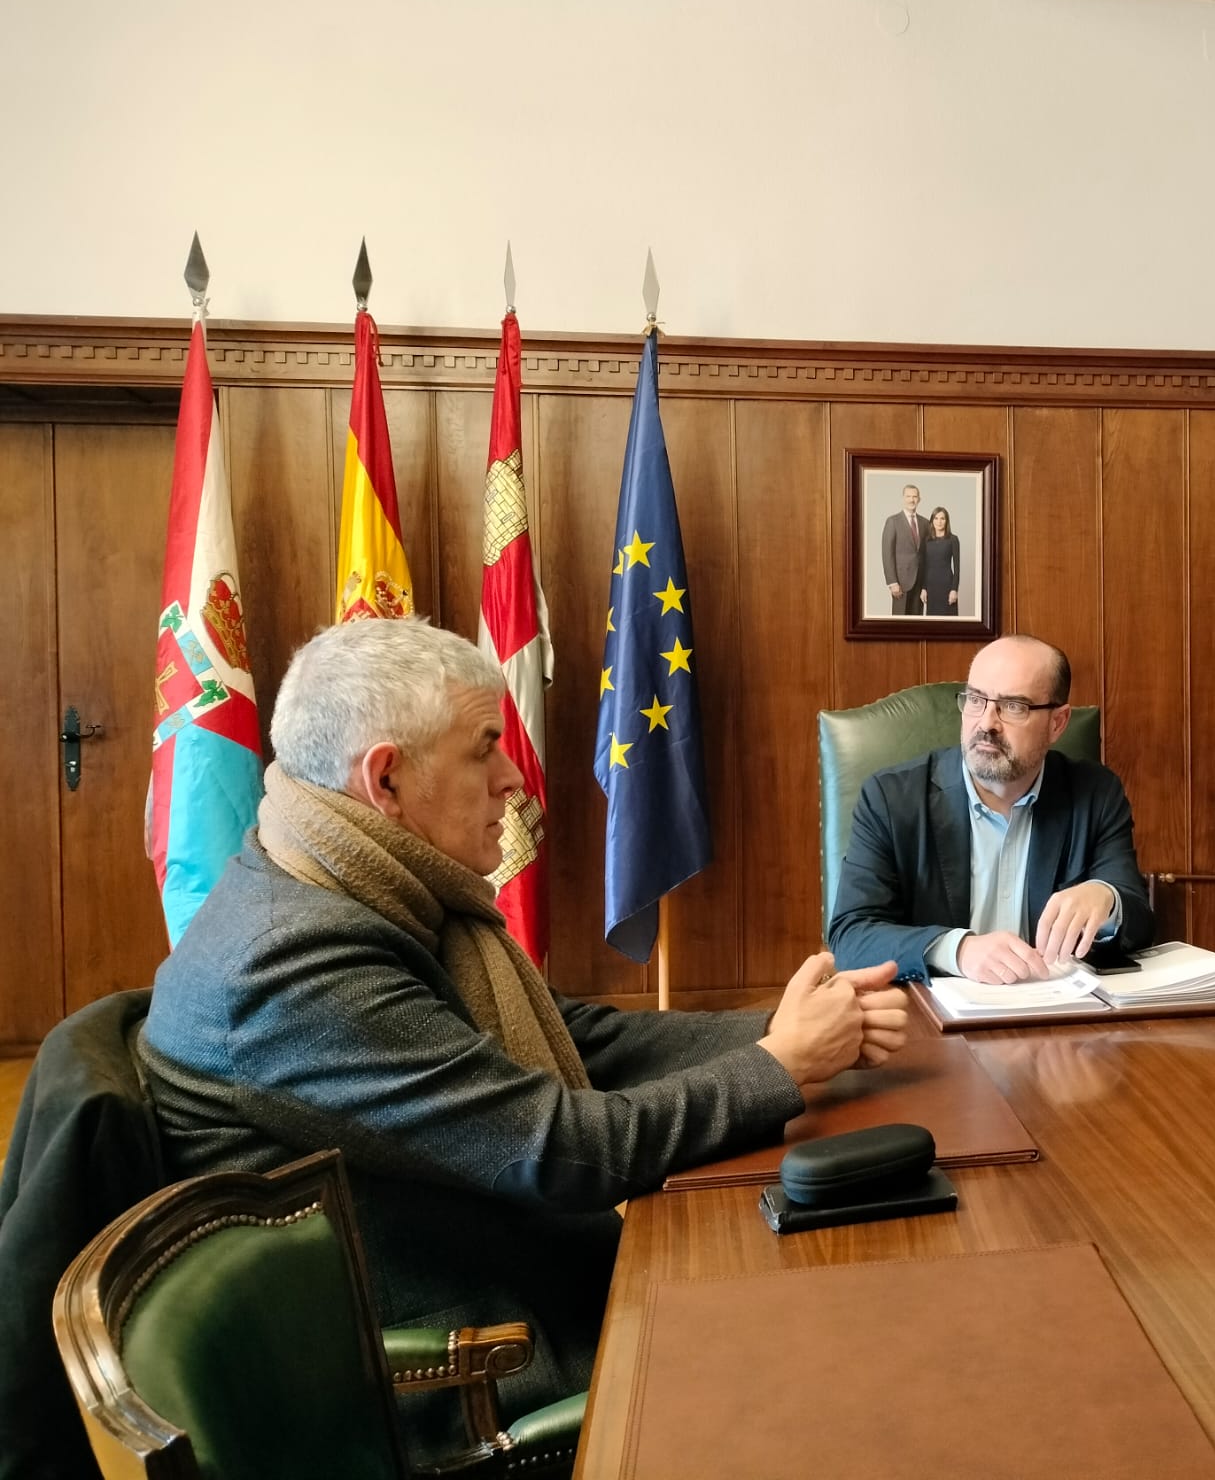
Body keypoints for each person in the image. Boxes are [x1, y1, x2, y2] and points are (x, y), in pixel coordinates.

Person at [140, 617, 911, 1446]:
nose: (514, 779)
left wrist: (790, 1030)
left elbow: (580, 1040)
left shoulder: (345, 878)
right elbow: (559, 1151)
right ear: (387, 779)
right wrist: (778, 1067)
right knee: (854, 1351)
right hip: (467, 1369)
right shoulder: (291, 963)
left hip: (503, 1274)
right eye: (483, 749)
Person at [829, 634, 1153, 985]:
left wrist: (1107, 897)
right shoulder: (891, 800)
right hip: (931, 1021)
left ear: (1057, 723)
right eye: (975, 700)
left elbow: (1138, 920)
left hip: (1055, 1019)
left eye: (1013, 706)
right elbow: (852, 936)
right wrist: (957, 950)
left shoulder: (1095, 794)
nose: (986, 723)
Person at [881, 482, 924, 616]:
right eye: (908, 496)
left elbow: (926, 555)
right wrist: (892, 582)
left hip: (919, 582)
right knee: (899, 625)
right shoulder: (893, 521)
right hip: (901, 582)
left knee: (917, 624)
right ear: (903, 498)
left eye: (915, 496)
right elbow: (887, 554)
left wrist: (926, 586)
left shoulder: (925, 523)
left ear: (919, 499)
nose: (912, 500)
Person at [918, 505, 961, 616]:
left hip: (947, 586)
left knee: (950, 624)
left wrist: (954, 589)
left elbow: (957, 567)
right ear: (932, 520)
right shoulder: (927, 540)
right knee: (932, 624)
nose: (939, 522)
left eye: (942, 518)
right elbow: (925, 566)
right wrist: (924, 588)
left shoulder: (953, 539)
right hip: (931, 587)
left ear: (947, 521)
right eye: (936, 518)